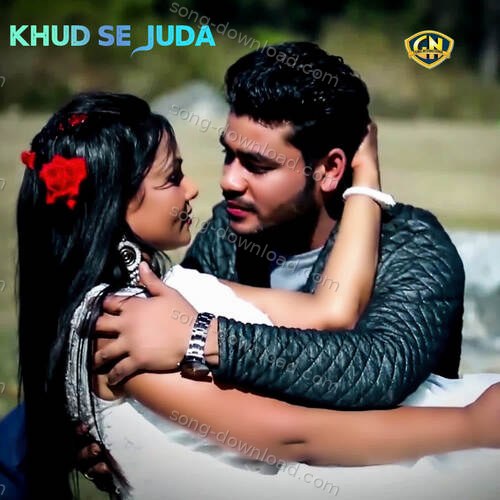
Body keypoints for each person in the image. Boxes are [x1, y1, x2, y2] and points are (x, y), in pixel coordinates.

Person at [13, 91, 500, 500]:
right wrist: (470, 427)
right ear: (114, 204)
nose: (200, 187)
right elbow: (290, 438)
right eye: (173, 177)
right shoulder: (120, 325)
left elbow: (330, 312)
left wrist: (365, 179)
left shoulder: (167, 288)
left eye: (255, 164)